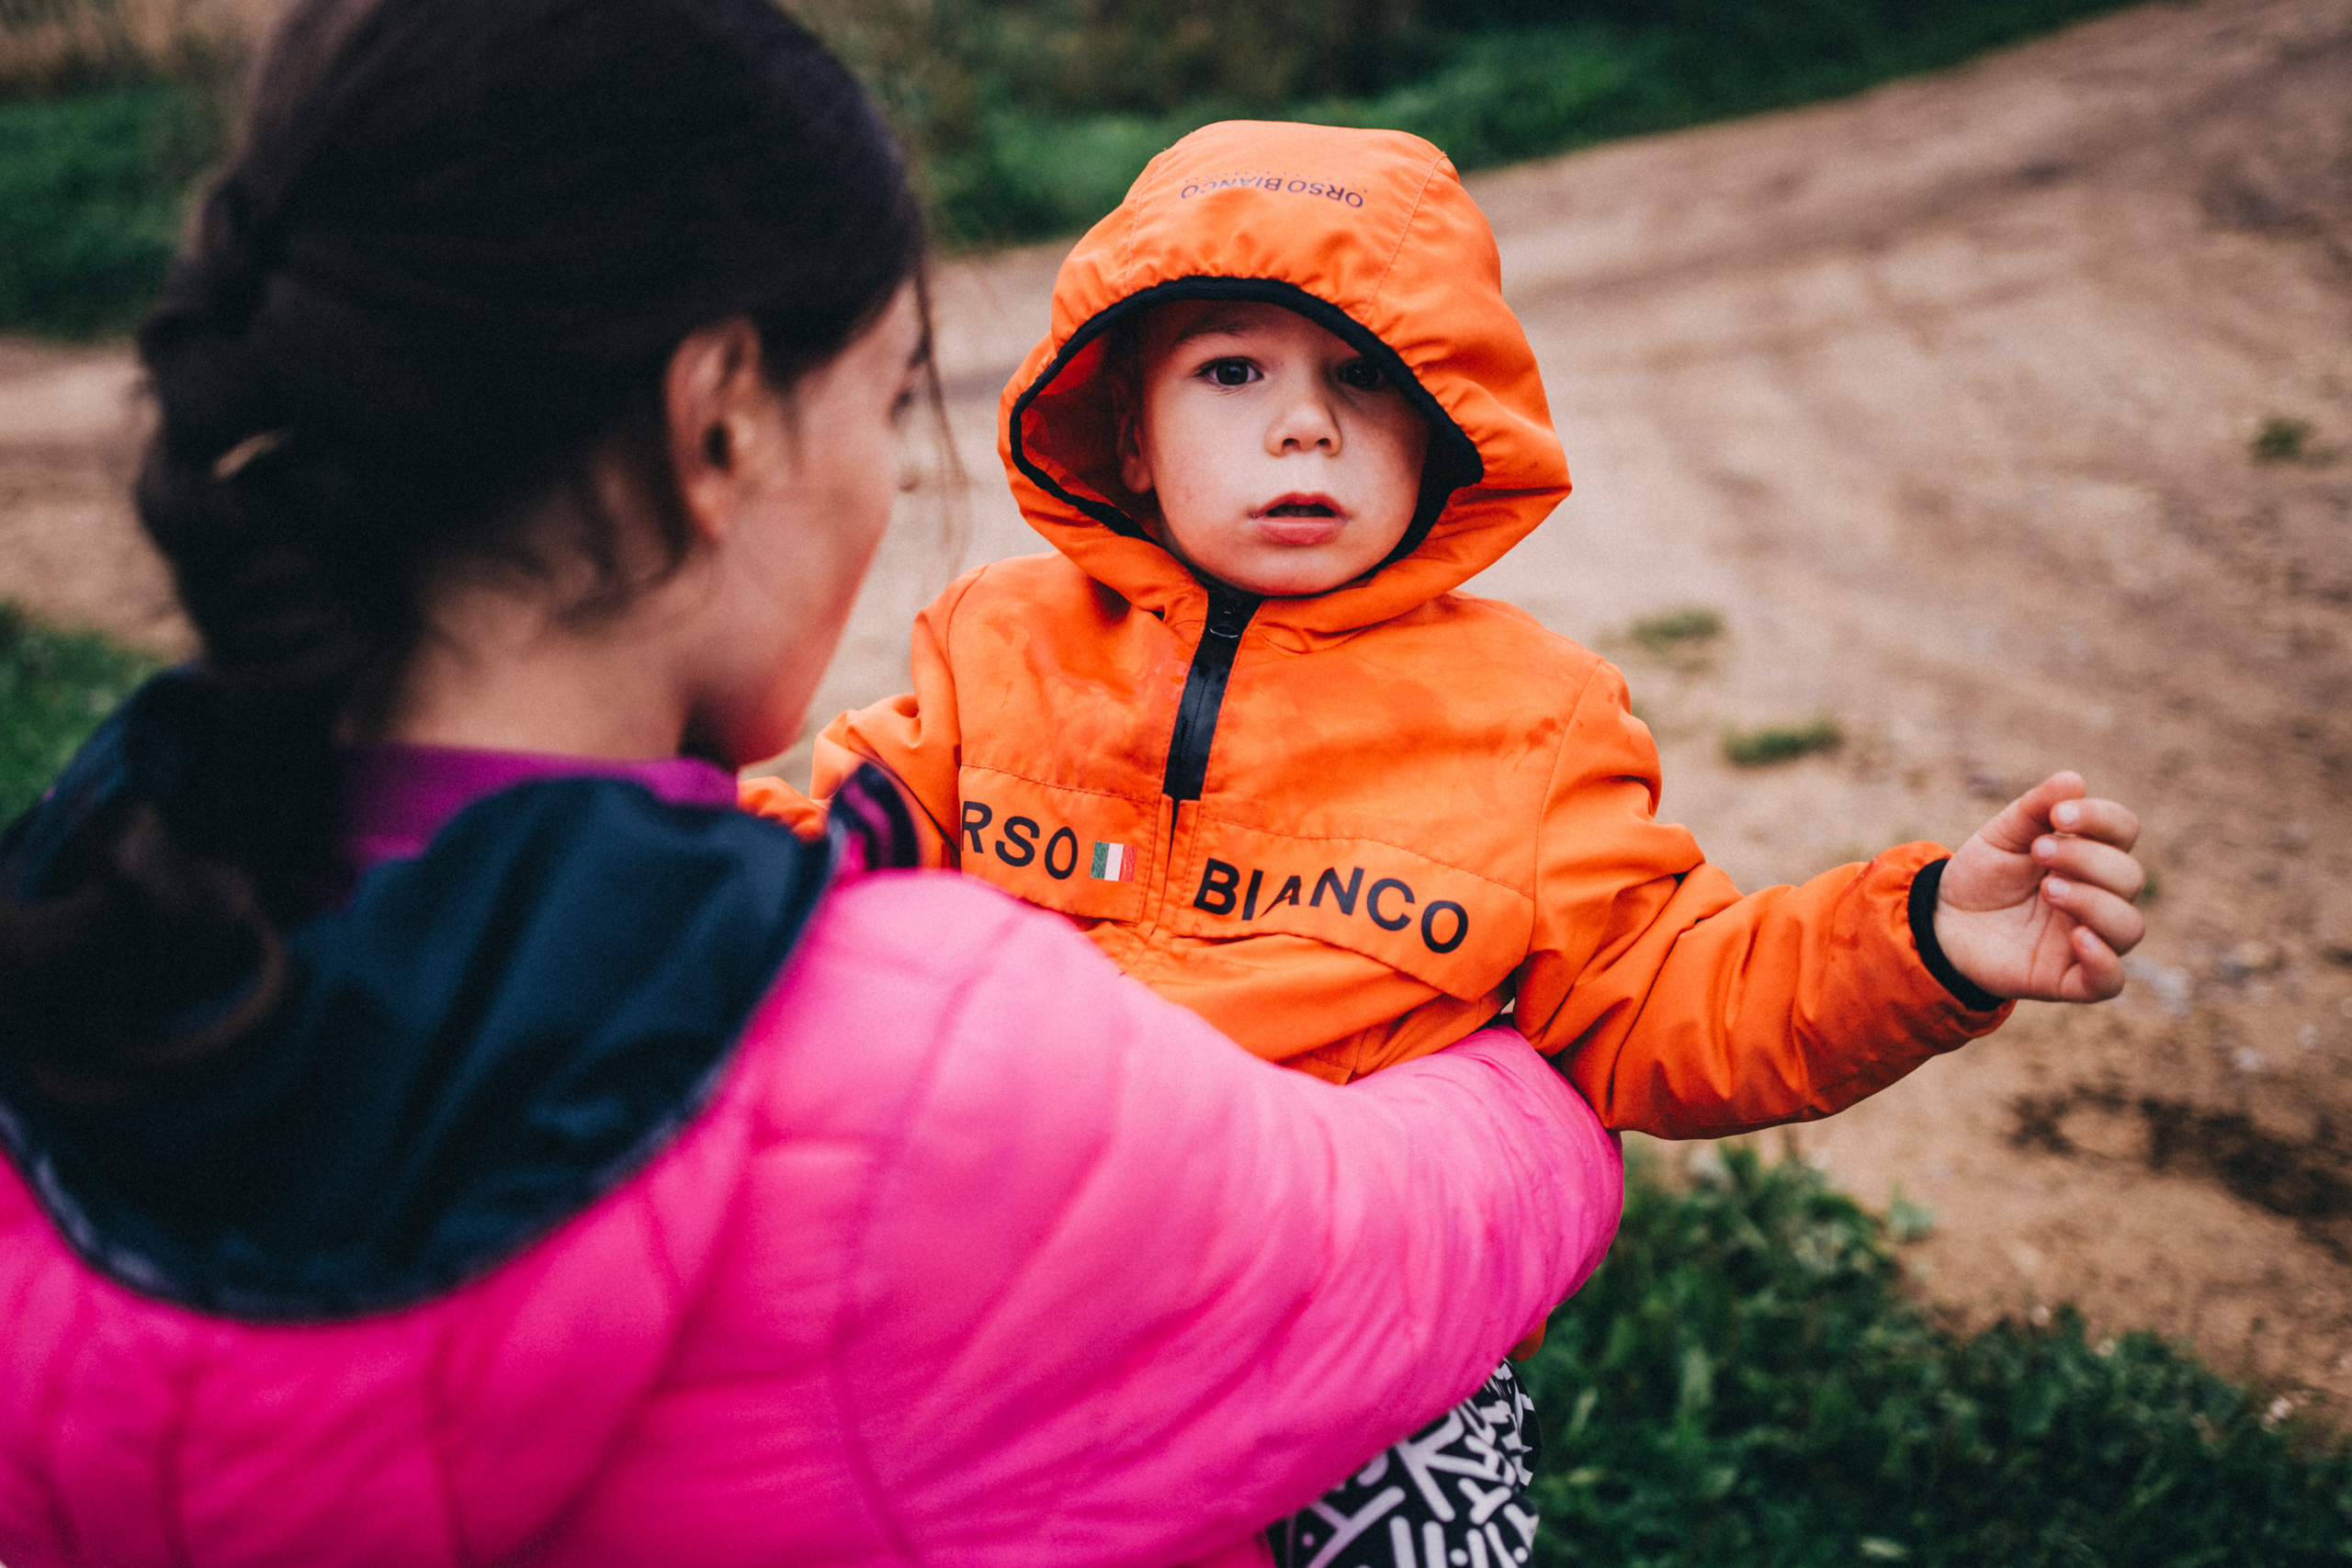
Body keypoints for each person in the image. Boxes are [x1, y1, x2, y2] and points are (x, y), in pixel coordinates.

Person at [0, 12, 1628, 1565]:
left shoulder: (85, 897)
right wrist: (1539, 1051)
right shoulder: (925, 1058)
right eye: (885, 399)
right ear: (716, 427)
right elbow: (1384, 1248)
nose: (888, 480)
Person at [748, 118, 2148, 1564]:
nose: (1306, 427)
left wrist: (1921, 941)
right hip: (998, 1255)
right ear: (1132, 437)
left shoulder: (1528, 721)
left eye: (1367, 376)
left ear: (1446, 434)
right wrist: (649, 833)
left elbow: (1667, 998)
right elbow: (837, 876)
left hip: (1340, 1306)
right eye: (1234, 372)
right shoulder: (1001, 644)